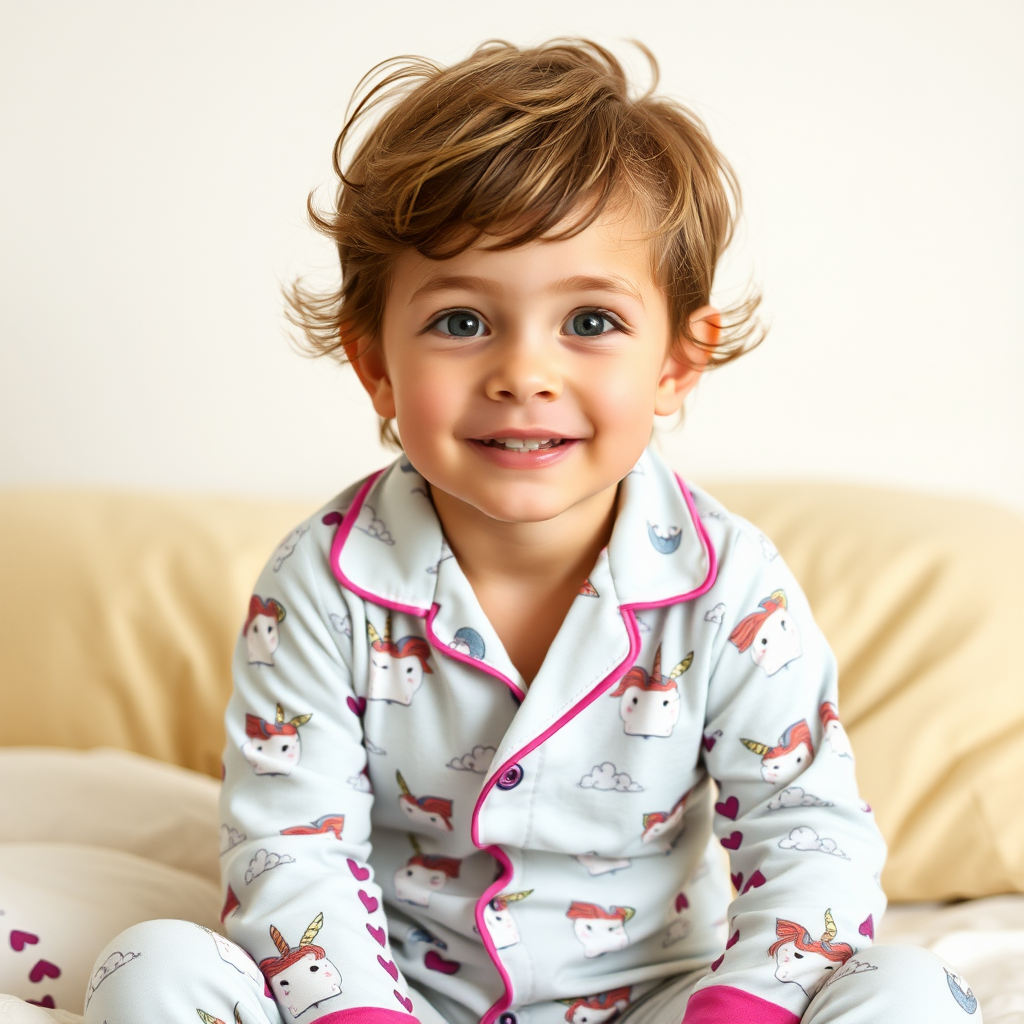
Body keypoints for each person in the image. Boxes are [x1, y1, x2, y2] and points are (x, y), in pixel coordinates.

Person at [83, 39, 981, 1024]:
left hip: (662, 1002)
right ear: (374, 364)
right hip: (395, 996)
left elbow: (808, 829)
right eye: (462, 322)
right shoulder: (321, 582)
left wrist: (742, 1010)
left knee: (907, 988)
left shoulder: (731, 588)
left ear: (677, 364)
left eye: (589, 322)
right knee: (153, 965)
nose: (523, 371)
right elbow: (290, 847)